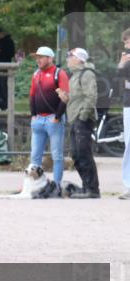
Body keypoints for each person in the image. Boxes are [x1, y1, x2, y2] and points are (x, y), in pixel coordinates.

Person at [59, 48, 99, 198]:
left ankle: (93, 190)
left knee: (84, 153)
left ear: (79, 59)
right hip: (74, 118)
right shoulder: (74, 75)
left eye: (71, 56)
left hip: (82, 119)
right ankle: (86, 186)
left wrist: (82, 116)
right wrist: (66, 98)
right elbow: (77, 98)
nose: (68, 58)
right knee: (76, 155)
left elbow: (91, 97)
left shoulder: (86, 74)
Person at [29, 46, 69, 186]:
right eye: (37, 57)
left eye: (41, 57)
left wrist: (57, 117)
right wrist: (33, 115)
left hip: (53, 119)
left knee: (56, 155)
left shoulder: (59, 73)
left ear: (50, 58)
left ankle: (57, 185)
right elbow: (32, 96)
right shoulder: (36, 74)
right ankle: (34, 184)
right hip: (38, 119)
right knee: (35, 155)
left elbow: (65, 98)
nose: (38, 60)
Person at [118, 28, 130, 200]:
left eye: (128, 41)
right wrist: (121, 63)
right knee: (129, 144)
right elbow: (118, 77)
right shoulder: (126, 58)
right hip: (129, 103)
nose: (126, 45)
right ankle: (128, 185)